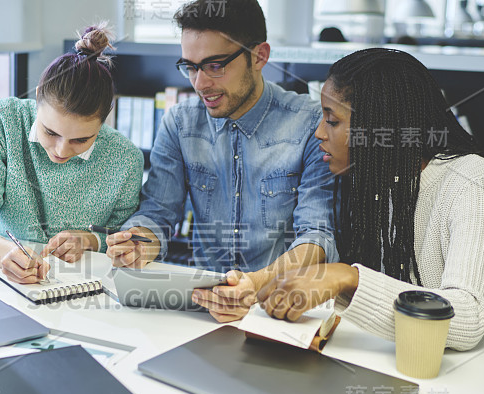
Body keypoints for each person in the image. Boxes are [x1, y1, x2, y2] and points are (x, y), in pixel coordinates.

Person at [258, 48, 484, 350]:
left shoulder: (473, 181)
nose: (319, 132)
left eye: (332, 121)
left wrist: (348, 278)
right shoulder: (382, 183)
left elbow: (467, 319)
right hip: (429, 358)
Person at [106, 0, 337, 322]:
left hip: (277, 307)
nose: (200, 84)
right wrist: (138, 243)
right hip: (200, 306)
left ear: (259, 56)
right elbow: (158, 211)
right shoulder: (180, 123)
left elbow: (317, 235)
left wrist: (254, 284)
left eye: (215, 65)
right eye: (190, 66)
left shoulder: (311, 123)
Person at [0, 23, 143, 284]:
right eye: (51, 132)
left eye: (81, 139)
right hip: (4, 281)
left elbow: (122, 234)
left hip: (86, 289)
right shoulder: (2, 121)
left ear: (104, 120)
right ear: (39, 95)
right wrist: (1, 252)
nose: (61, 150)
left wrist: (89, 240)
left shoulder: (125, 159)